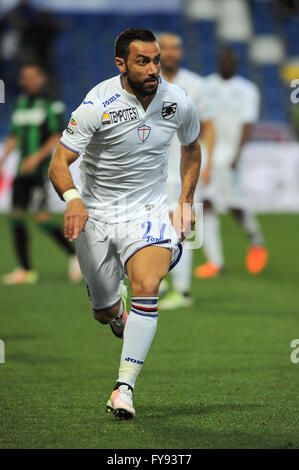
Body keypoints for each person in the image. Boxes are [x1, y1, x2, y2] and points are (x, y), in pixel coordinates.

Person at [48, 28, 201, 419]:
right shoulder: (97, 104)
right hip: (97, 215)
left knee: (147, 285)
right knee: (104, 309)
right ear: (121, 64)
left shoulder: (178, 101)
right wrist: (73, 199)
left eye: (157, 60)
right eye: (143, 61)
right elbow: (59, 162)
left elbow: (191, 147)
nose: (154, 69)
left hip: (147, 212)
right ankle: (116, 316)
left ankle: (124, 388)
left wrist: (184, 200)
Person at [0, 62, 82, 285]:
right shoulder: (20, 103)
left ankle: (75, 255)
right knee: (16, 216)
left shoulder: (51, 104)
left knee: (41, 217)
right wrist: (3, 160)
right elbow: (14, 136)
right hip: (21, 172)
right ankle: (25, 269)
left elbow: (56, 136)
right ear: (21, 81)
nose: (29, 80)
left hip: (40, 171)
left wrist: (36, 158)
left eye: (34, 76)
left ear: (41, 78)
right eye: (25, 77)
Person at [194, 49, 268, 279]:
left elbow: (247, 125)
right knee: (205, 205)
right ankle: (215, 262)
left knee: (234, 205)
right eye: (223, 59)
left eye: (231, 60)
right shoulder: (205, 86)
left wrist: (237, 154)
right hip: (207, 153)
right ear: (217, 62)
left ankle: (256, 240)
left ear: (237, 64)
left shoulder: (247, 89)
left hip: (230, 155)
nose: (227, 63)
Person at [157, 32, 215, 309]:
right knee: (150, 225)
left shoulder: (195, 84)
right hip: (150, 168)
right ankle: (160, 279)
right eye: (165, 48)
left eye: (175, 48)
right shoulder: (145, 82)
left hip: (183, 166)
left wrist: (210, 161)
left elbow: (208, 125)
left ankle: (182, 290)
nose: (170, 53)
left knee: (183, 223)